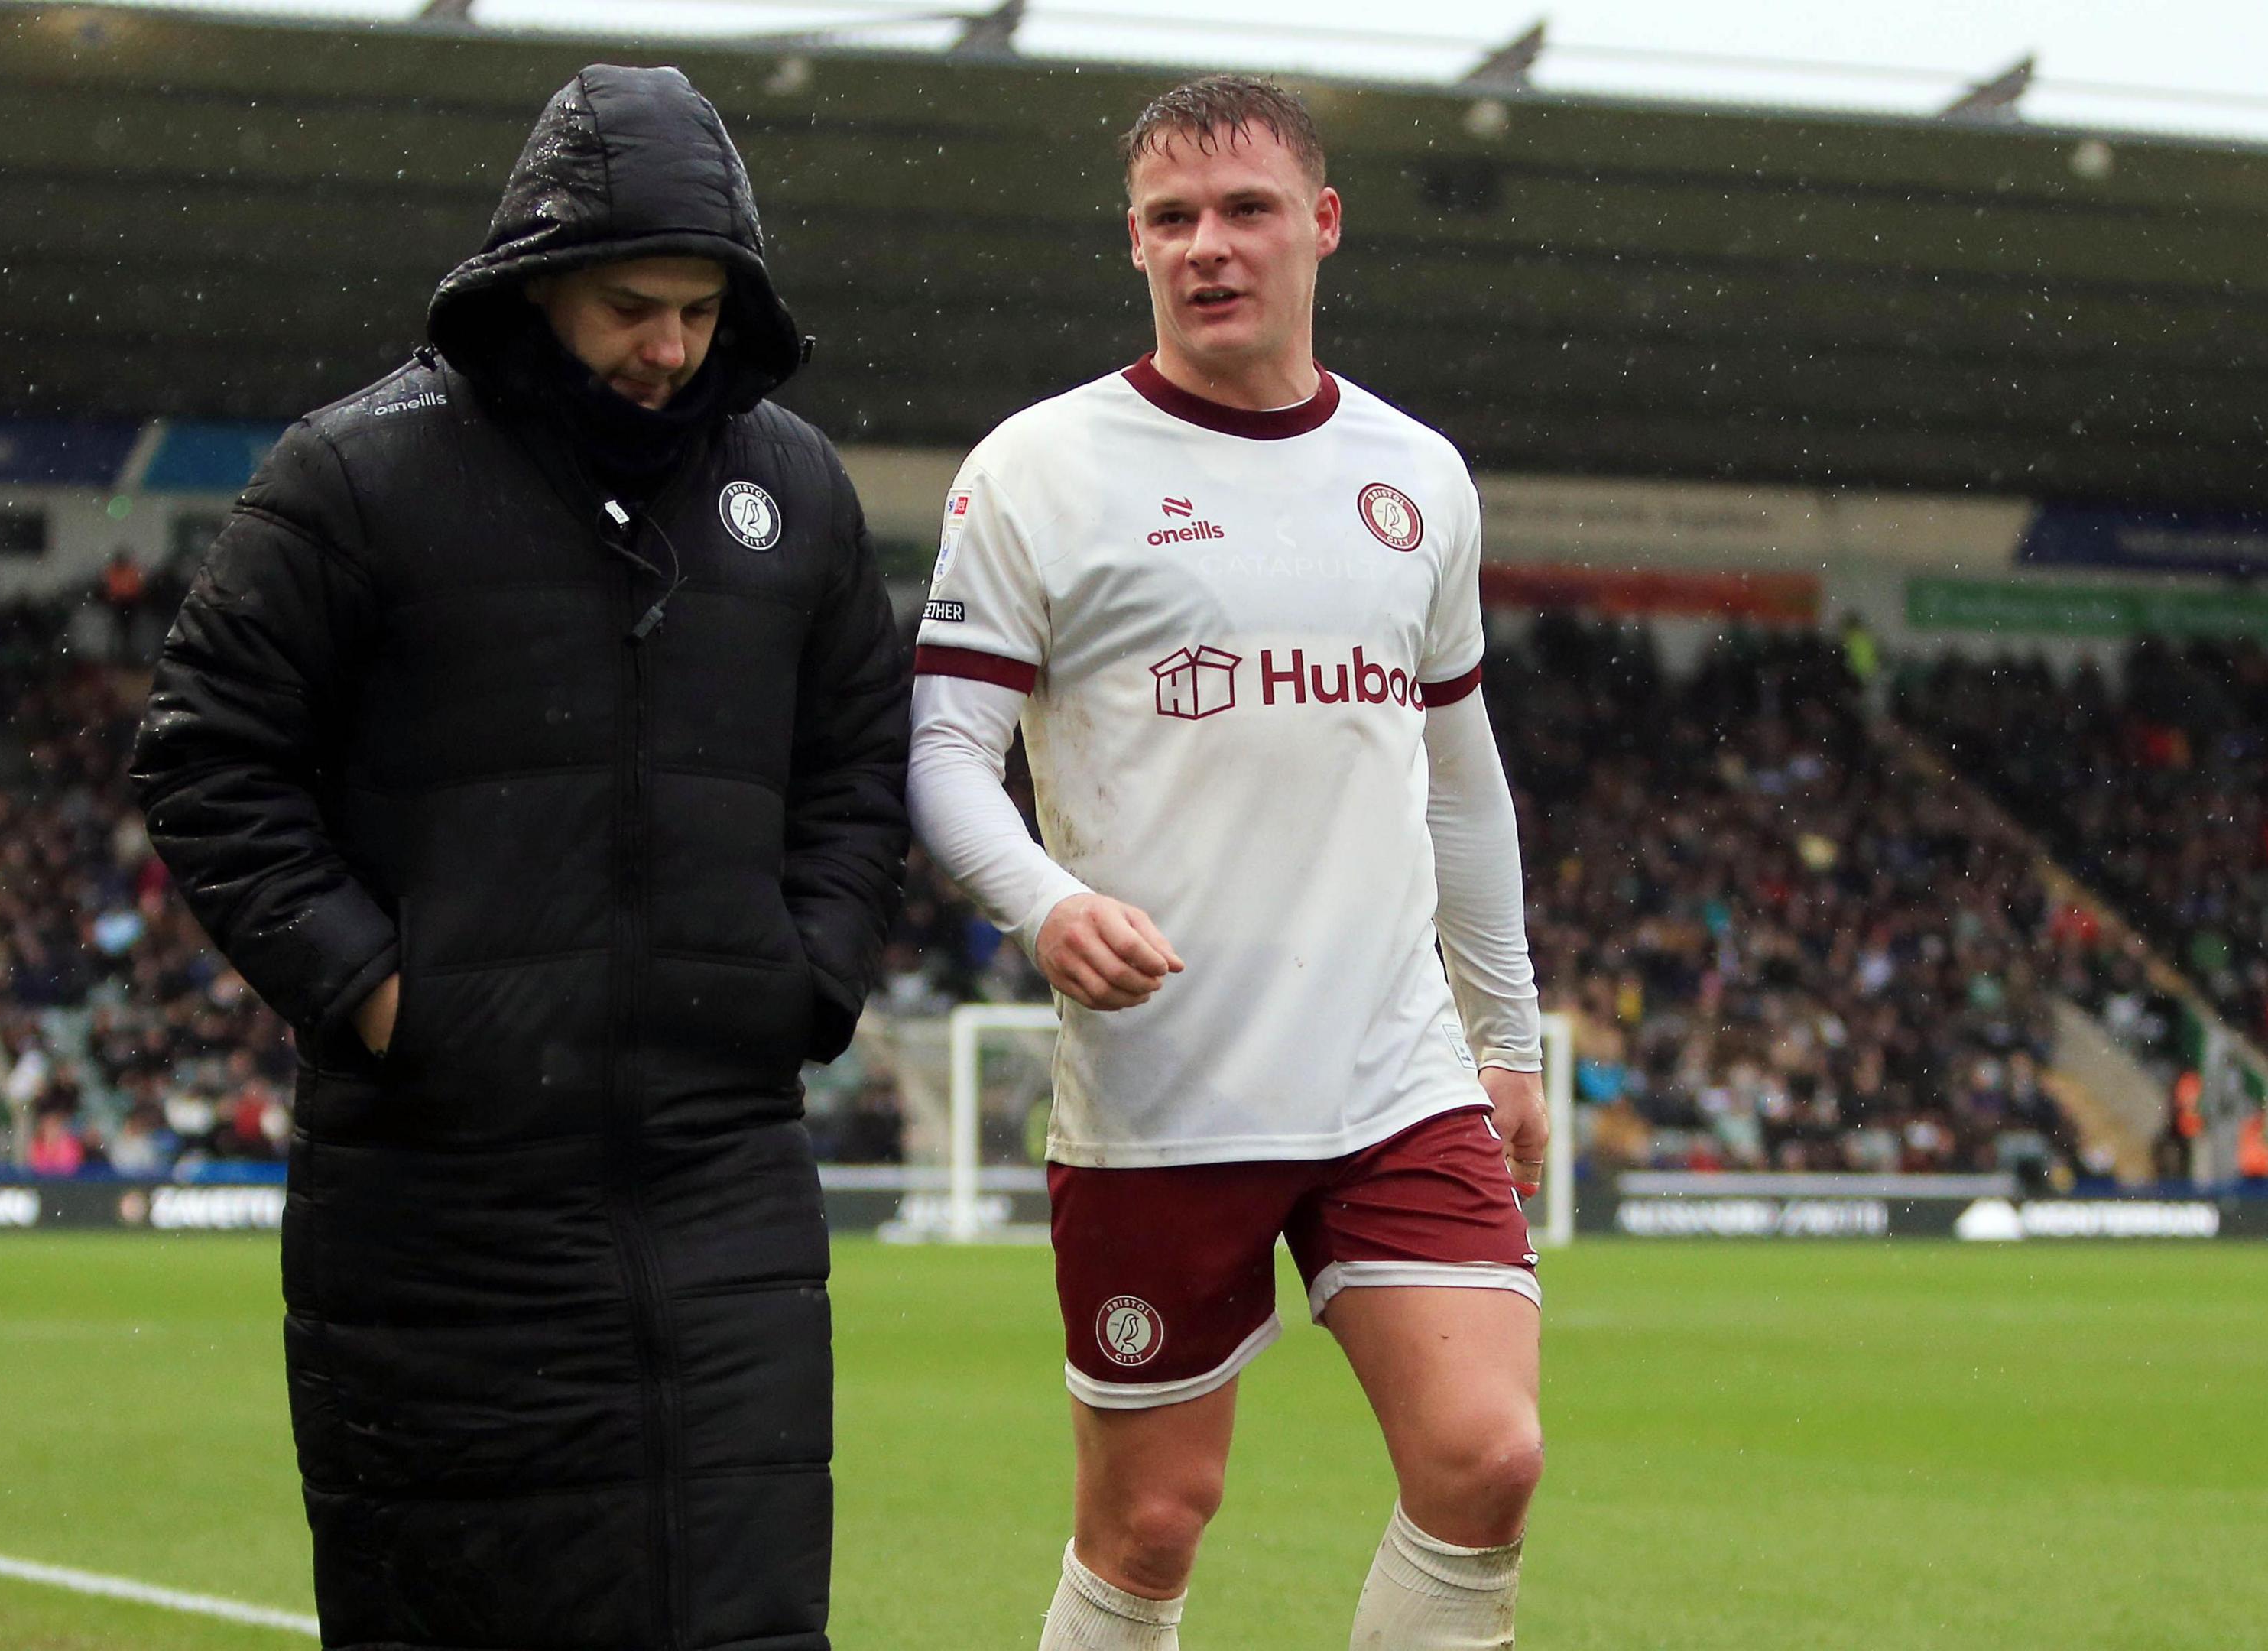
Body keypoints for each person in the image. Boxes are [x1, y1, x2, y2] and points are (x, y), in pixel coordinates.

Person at [129, 66, 908, 1651]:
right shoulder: (354, 476)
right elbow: (208, 758)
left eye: (700, 308)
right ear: (537, 277)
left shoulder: (799, 493)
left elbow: (859, 770)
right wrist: (381, 994)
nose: (670, 346)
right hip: (436, 1193)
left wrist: (805, 976)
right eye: (632, 304)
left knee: (744, 1619)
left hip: (722, 1182)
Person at [909, 75, 1546, 1650]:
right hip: (1163, 1088)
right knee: (1148, 1526)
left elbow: (1460, 779)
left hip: (1394, 1072)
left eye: (1247, 209)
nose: (1212, 245)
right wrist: (1047, 905)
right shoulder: (1041, 470)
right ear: (1132, 245)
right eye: (1172, 219)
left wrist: (1509, 1037)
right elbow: (940, 759)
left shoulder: (1420, 482)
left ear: (1321, 225)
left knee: (1487, 1459)